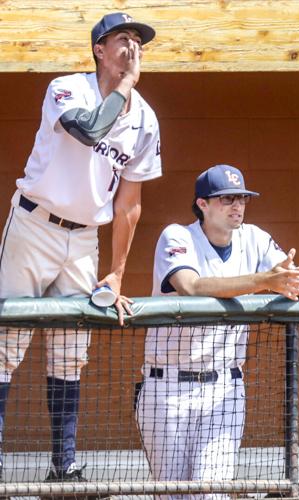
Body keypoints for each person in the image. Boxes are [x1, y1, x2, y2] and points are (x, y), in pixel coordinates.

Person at [0, 12, 161, 482]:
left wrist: (116, 272)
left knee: (71, 351)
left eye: (138, 41)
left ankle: (64, 464)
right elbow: (88, 129)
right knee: (5, 345)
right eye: (122, 40)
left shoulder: (146, 120)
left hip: (84, 237)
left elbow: (129, 204)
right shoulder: (66, 87)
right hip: (35, 225)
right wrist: (126, 88)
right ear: (98, 49)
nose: (133, 48)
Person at [135, 164, 299, 499]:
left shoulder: (255, 238)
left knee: (213, 493)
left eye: (242, 199)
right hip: (168, 386)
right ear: (202, 204)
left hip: (224, 388)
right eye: (226, 199)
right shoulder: (177, 235)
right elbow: (191, 286)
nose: (238, 206)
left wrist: (291, 280)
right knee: (170, 494)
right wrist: (263, 281)